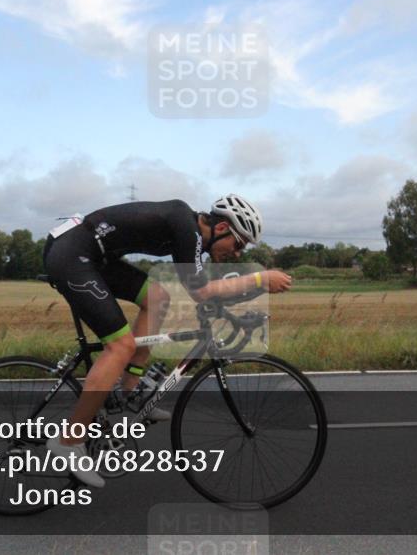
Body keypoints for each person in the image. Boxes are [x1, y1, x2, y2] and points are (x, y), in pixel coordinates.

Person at [42, 194, 292, 488]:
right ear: (222, 228)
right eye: (239, 244)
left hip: (93, 255)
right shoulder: (185, 226)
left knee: (158, 297)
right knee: (120, 346)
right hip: (72, 254)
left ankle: (130, 389)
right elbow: (200, 291)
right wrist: (260, 279)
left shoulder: (188, 231)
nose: (237, 254)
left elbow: (201, 288)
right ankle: (69, 441)